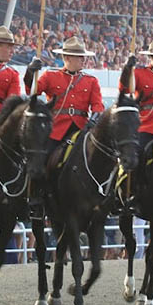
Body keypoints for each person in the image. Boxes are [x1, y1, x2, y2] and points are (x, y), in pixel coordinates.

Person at [24, 36, 104, 219]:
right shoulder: (51, 76)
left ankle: (103, 196)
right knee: (39, 159)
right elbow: (33, 90)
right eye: (79, 57)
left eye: (84, 57)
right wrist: (31, 72)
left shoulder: (91, 81)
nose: (83, 60)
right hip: (56, 128)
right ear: (67, 58)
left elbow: (97, 105)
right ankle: (36, 198)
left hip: (81, 129)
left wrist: (96, 117)